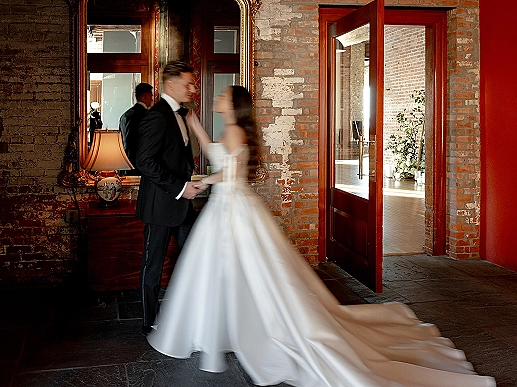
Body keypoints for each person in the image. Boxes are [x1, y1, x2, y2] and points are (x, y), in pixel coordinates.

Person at [146, 86, 496, 387]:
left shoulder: (235, 131)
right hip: (228, 209)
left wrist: (203, 182)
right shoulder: (232, 130)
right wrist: (196, 128)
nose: (219, 97)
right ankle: (232, 325)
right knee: (236, 272)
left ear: (233, 104)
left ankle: (240, 329)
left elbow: (228, 174)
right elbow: (217, 155)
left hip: (232, 208)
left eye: (224, 95)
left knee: (239, 272)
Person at [134, 61, 202, 336]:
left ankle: (188, 313)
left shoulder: (182, 114)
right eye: (188, 83)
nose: (193, 88)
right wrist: (180, 188)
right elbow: (144, 162)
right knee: (153, 267)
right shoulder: (157, 116)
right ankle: (149, 321)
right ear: (170, 85)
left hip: (183, 207)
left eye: (193, 83)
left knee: (196, 257)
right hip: (160, 206)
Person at [119, 82, 154, 175]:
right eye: (151, 96)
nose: (152, 99)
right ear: (145, 96)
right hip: (142, 165)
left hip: (124, 163)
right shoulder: (148, 116)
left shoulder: (124, 116)